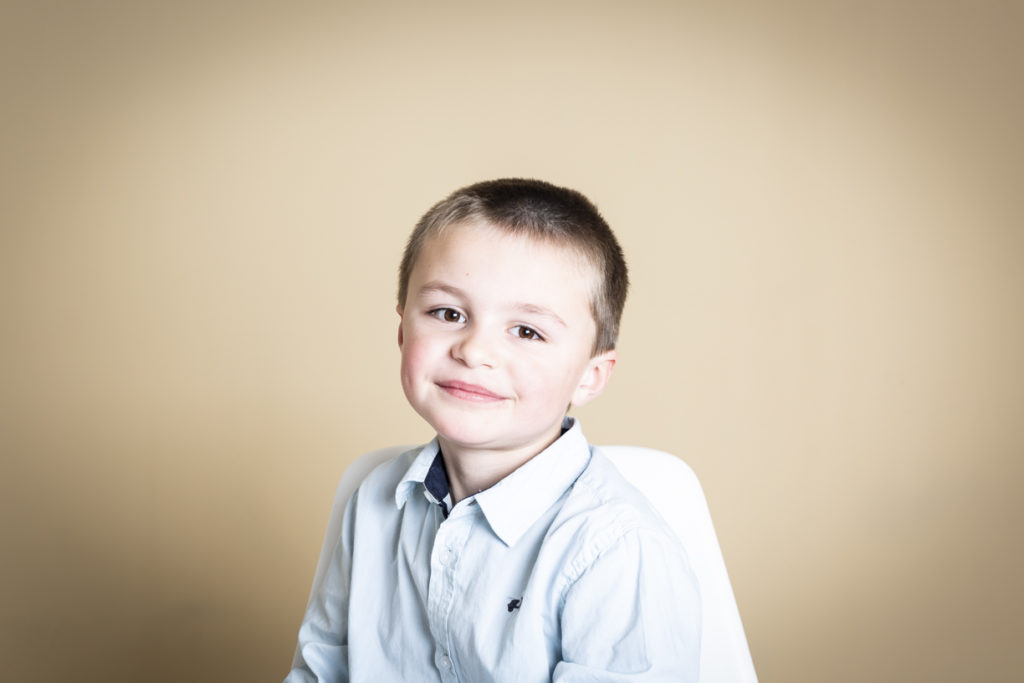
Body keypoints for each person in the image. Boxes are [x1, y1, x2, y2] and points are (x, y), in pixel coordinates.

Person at [285, 179, 701, 682]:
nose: (474, 350)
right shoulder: (373, 499)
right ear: (402, 332)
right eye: (448, 313)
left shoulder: (618, 550)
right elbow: (321, 671)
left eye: (527, 331)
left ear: (590, 375)